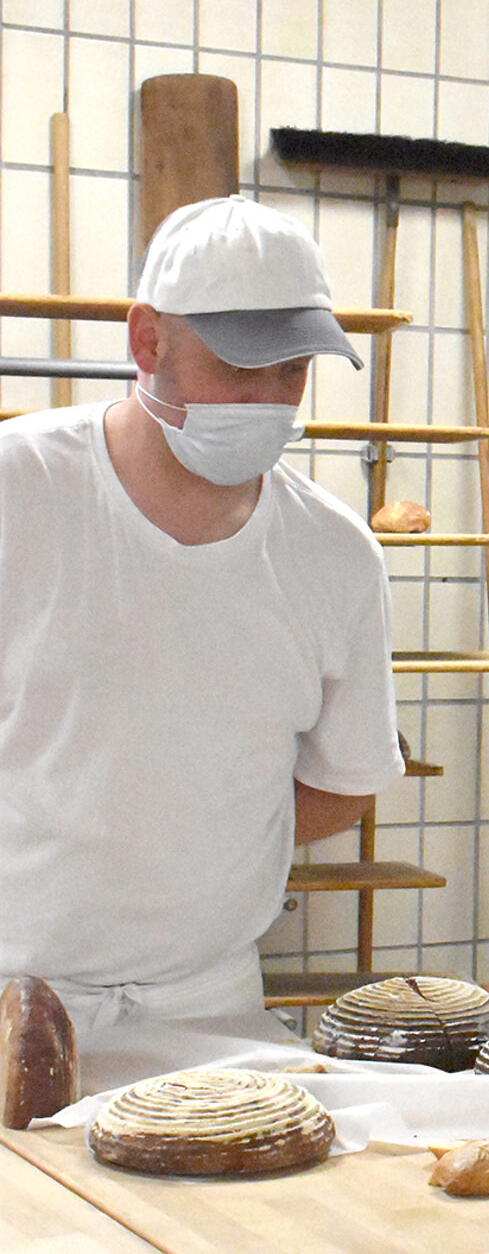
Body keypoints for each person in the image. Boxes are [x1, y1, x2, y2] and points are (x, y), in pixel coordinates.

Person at [0, 193, 404, 1043]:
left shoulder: (335, 555)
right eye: (239, 365)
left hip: (210, 1009)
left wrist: (204, 826)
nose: (269, 398)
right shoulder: (19, 493)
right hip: (12, 999)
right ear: (148, 340)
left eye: (292, 369)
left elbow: (347, 781)